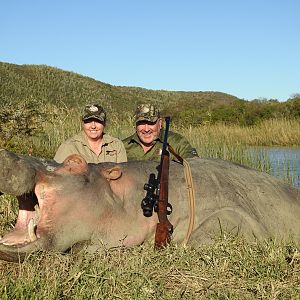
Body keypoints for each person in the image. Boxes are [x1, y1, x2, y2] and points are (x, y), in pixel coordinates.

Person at [122, 103, 198, 162]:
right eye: (141, 123)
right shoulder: (122, 146)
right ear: (135, 124)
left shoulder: (178, 143)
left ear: (160, 123)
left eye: (151, 123)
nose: (146, 129)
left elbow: (195, 167)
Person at [54, 103, 127, 163]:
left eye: (98, 121)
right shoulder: (69, 146)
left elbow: (123, 174)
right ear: (82, 123)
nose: (93, 126)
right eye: (88, 121)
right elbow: (55, 174)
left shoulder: (116, 145)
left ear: (104, 124)